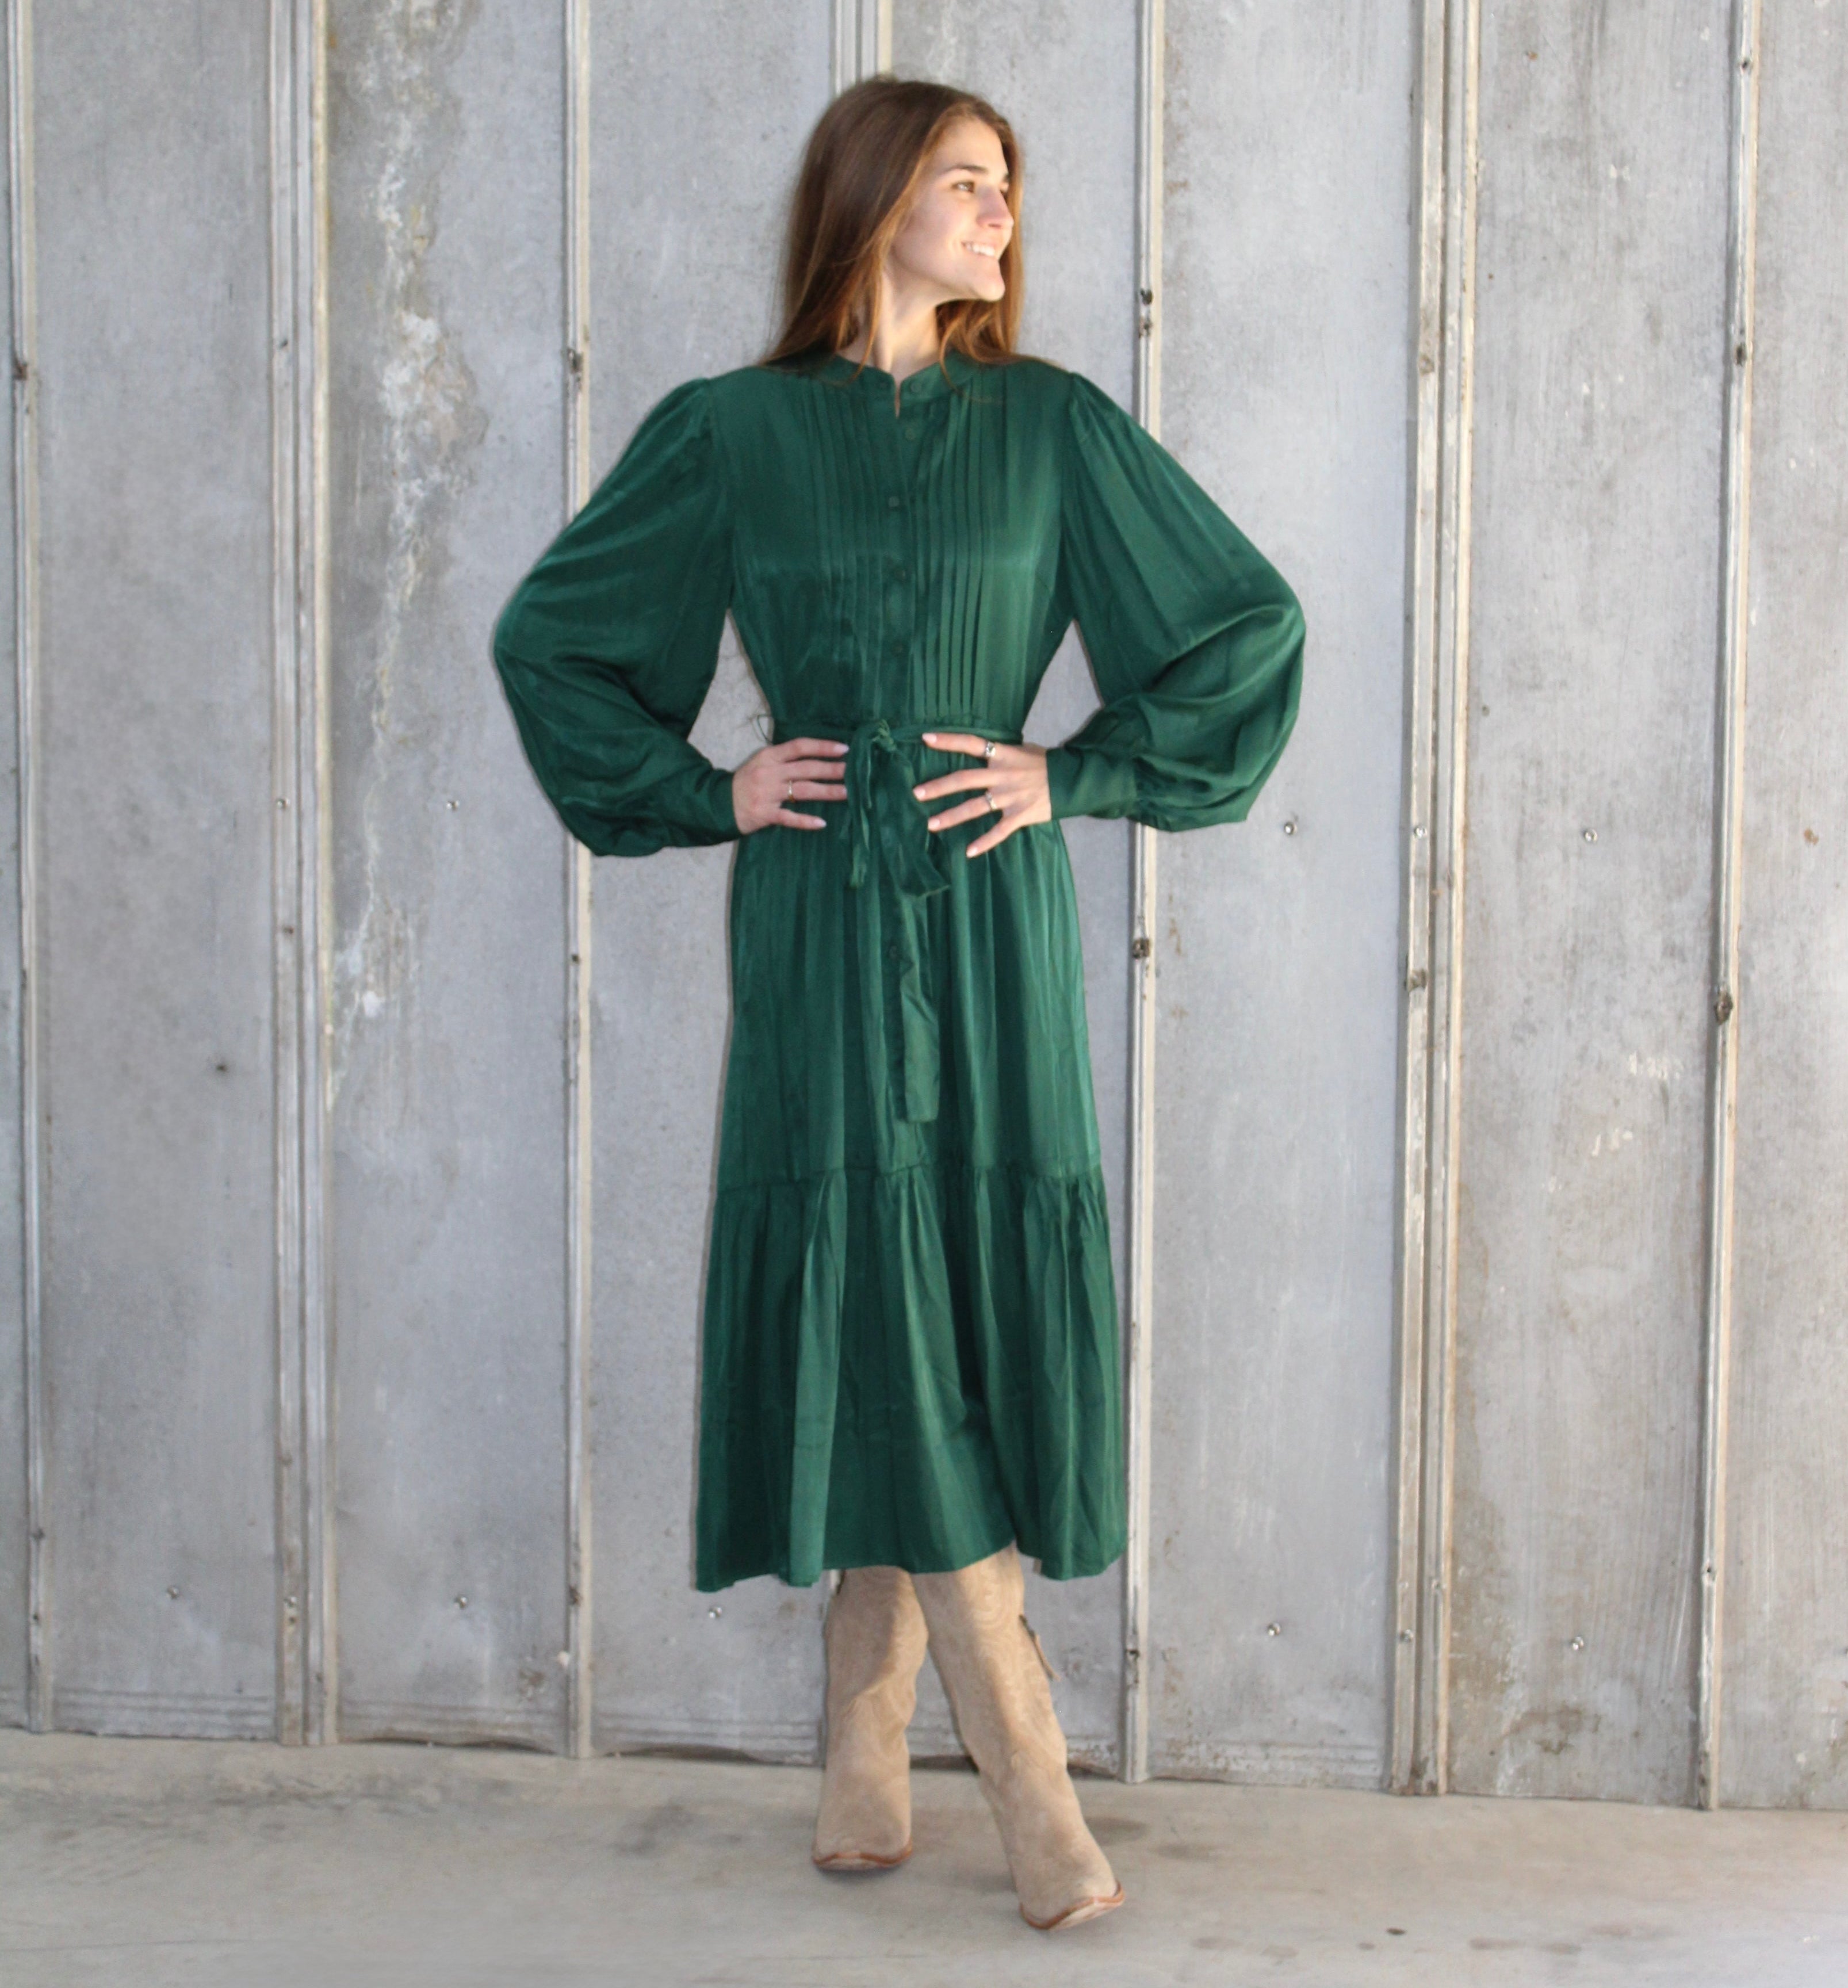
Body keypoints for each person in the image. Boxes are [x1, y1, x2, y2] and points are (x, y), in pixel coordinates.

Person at [491, 75, 1303, 1934]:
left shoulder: (1055, 430)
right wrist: (712, 788)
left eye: (1010, 189)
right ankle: (1018, 1753)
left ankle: (866, 1725)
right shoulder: (729, 434)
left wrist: (1072, 774)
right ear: (871, 198)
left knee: (941, 1263)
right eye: (964, 181)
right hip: (818, 929)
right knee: (871, 1257)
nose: (1002, 215)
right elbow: (556, 637)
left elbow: (1243, 626)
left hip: (990, 923)